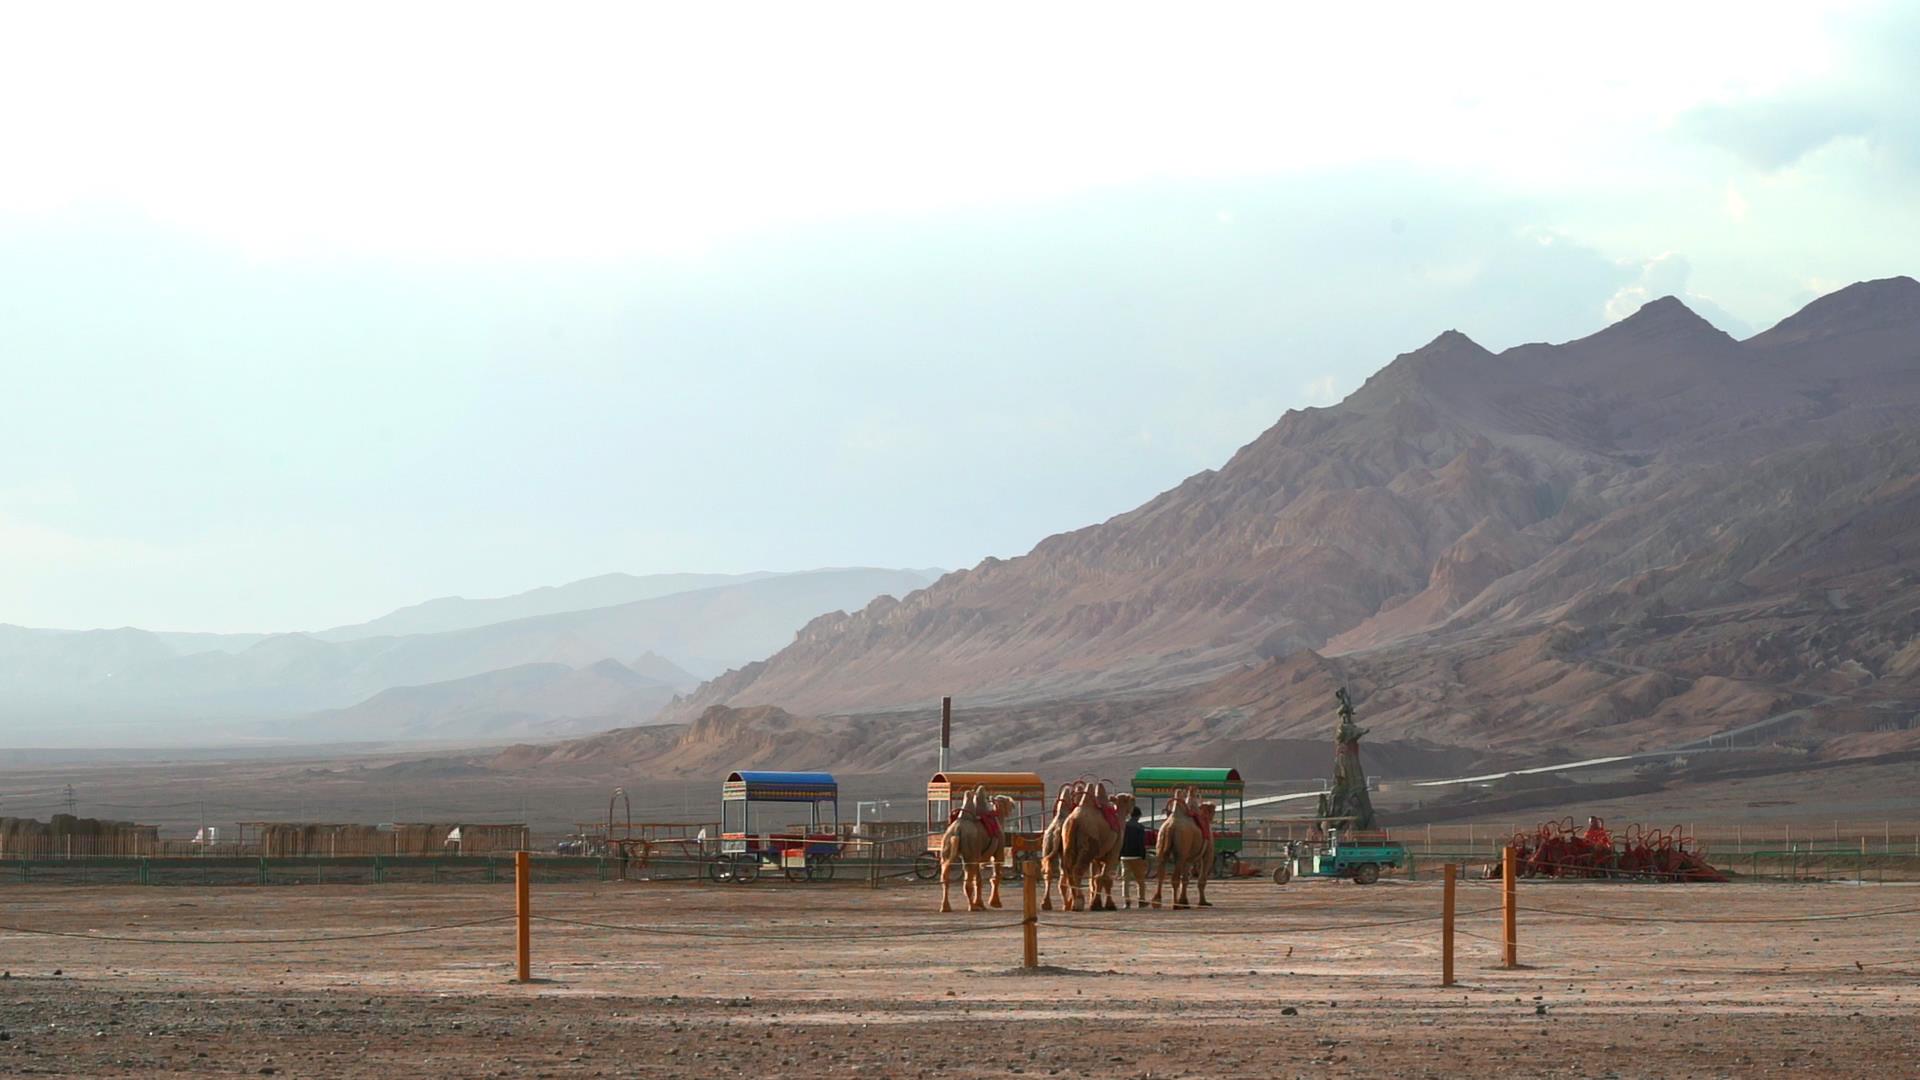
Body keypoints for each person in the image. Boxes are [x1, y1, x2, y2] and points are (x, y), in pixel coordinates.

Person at [1120, 804, 1148, 909]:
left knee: (1125, 881)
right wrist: (1143, 856)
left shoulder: (1124, 826)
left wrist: (1119, 855)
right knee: (1140, 881)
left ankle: (1126, 902)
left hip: (1124, 856)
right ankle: (1141, 900)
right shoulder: (1140, 827)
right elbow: (1141, 843)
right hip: (1136, 856)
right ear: (1139, 816)